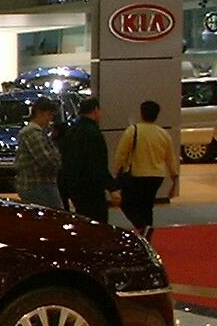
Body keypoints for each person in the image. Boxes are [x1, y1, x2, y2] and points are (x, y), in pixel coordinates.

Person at [114, 99, 179, 239]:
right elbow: (170, 158)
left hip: (137, 174)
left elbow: (121, 154)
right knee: (147, 205)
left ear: (141, 113)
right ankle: (146, 235)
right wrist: (174, 178)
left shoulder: (133, 130)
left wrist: (117, 171)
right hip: (157, 176)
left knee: (127, 203)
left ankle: (142, 227)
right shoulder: (163, 133)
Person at [60, 96, 118, 223]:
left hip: (74, 186)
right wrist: (111, 187)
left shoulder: (71, 131)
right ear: (96, 110)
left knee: (81, 220)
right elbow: (97, 164)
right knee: (97, 222)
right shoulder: (93, 133)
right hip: (92, 188)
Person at [13, 97, 63, 210]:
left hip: (36, 185)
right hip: (38, 185)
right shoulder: (32, 133)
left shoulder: (38, 132)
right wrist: (58, 160)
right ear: (38, 112)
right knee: (53, 218)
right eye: (48, 115)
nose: (50, 119)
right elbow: (47, 161)